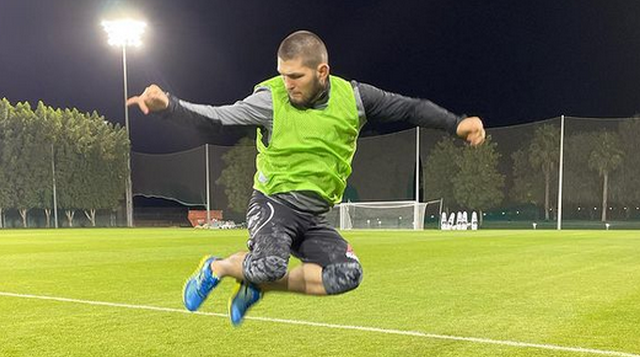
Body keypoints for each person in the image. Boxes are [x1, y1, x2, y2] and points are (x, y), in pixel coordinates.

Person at [127, 30, 486, 326]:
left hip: (314, 216)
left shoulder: (356, 99)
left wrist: (456, 124)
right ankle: (216, 267)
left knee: (347, 274)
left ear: (322, 71)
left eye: (296, 76)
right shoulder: (270, 100)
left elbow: (410, 108)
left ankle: (258, 285)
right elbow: (218, 118)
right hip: (273, 204)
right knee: (269, 264)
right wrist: (169, 107)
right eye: (283, 75)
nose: (288, 84)